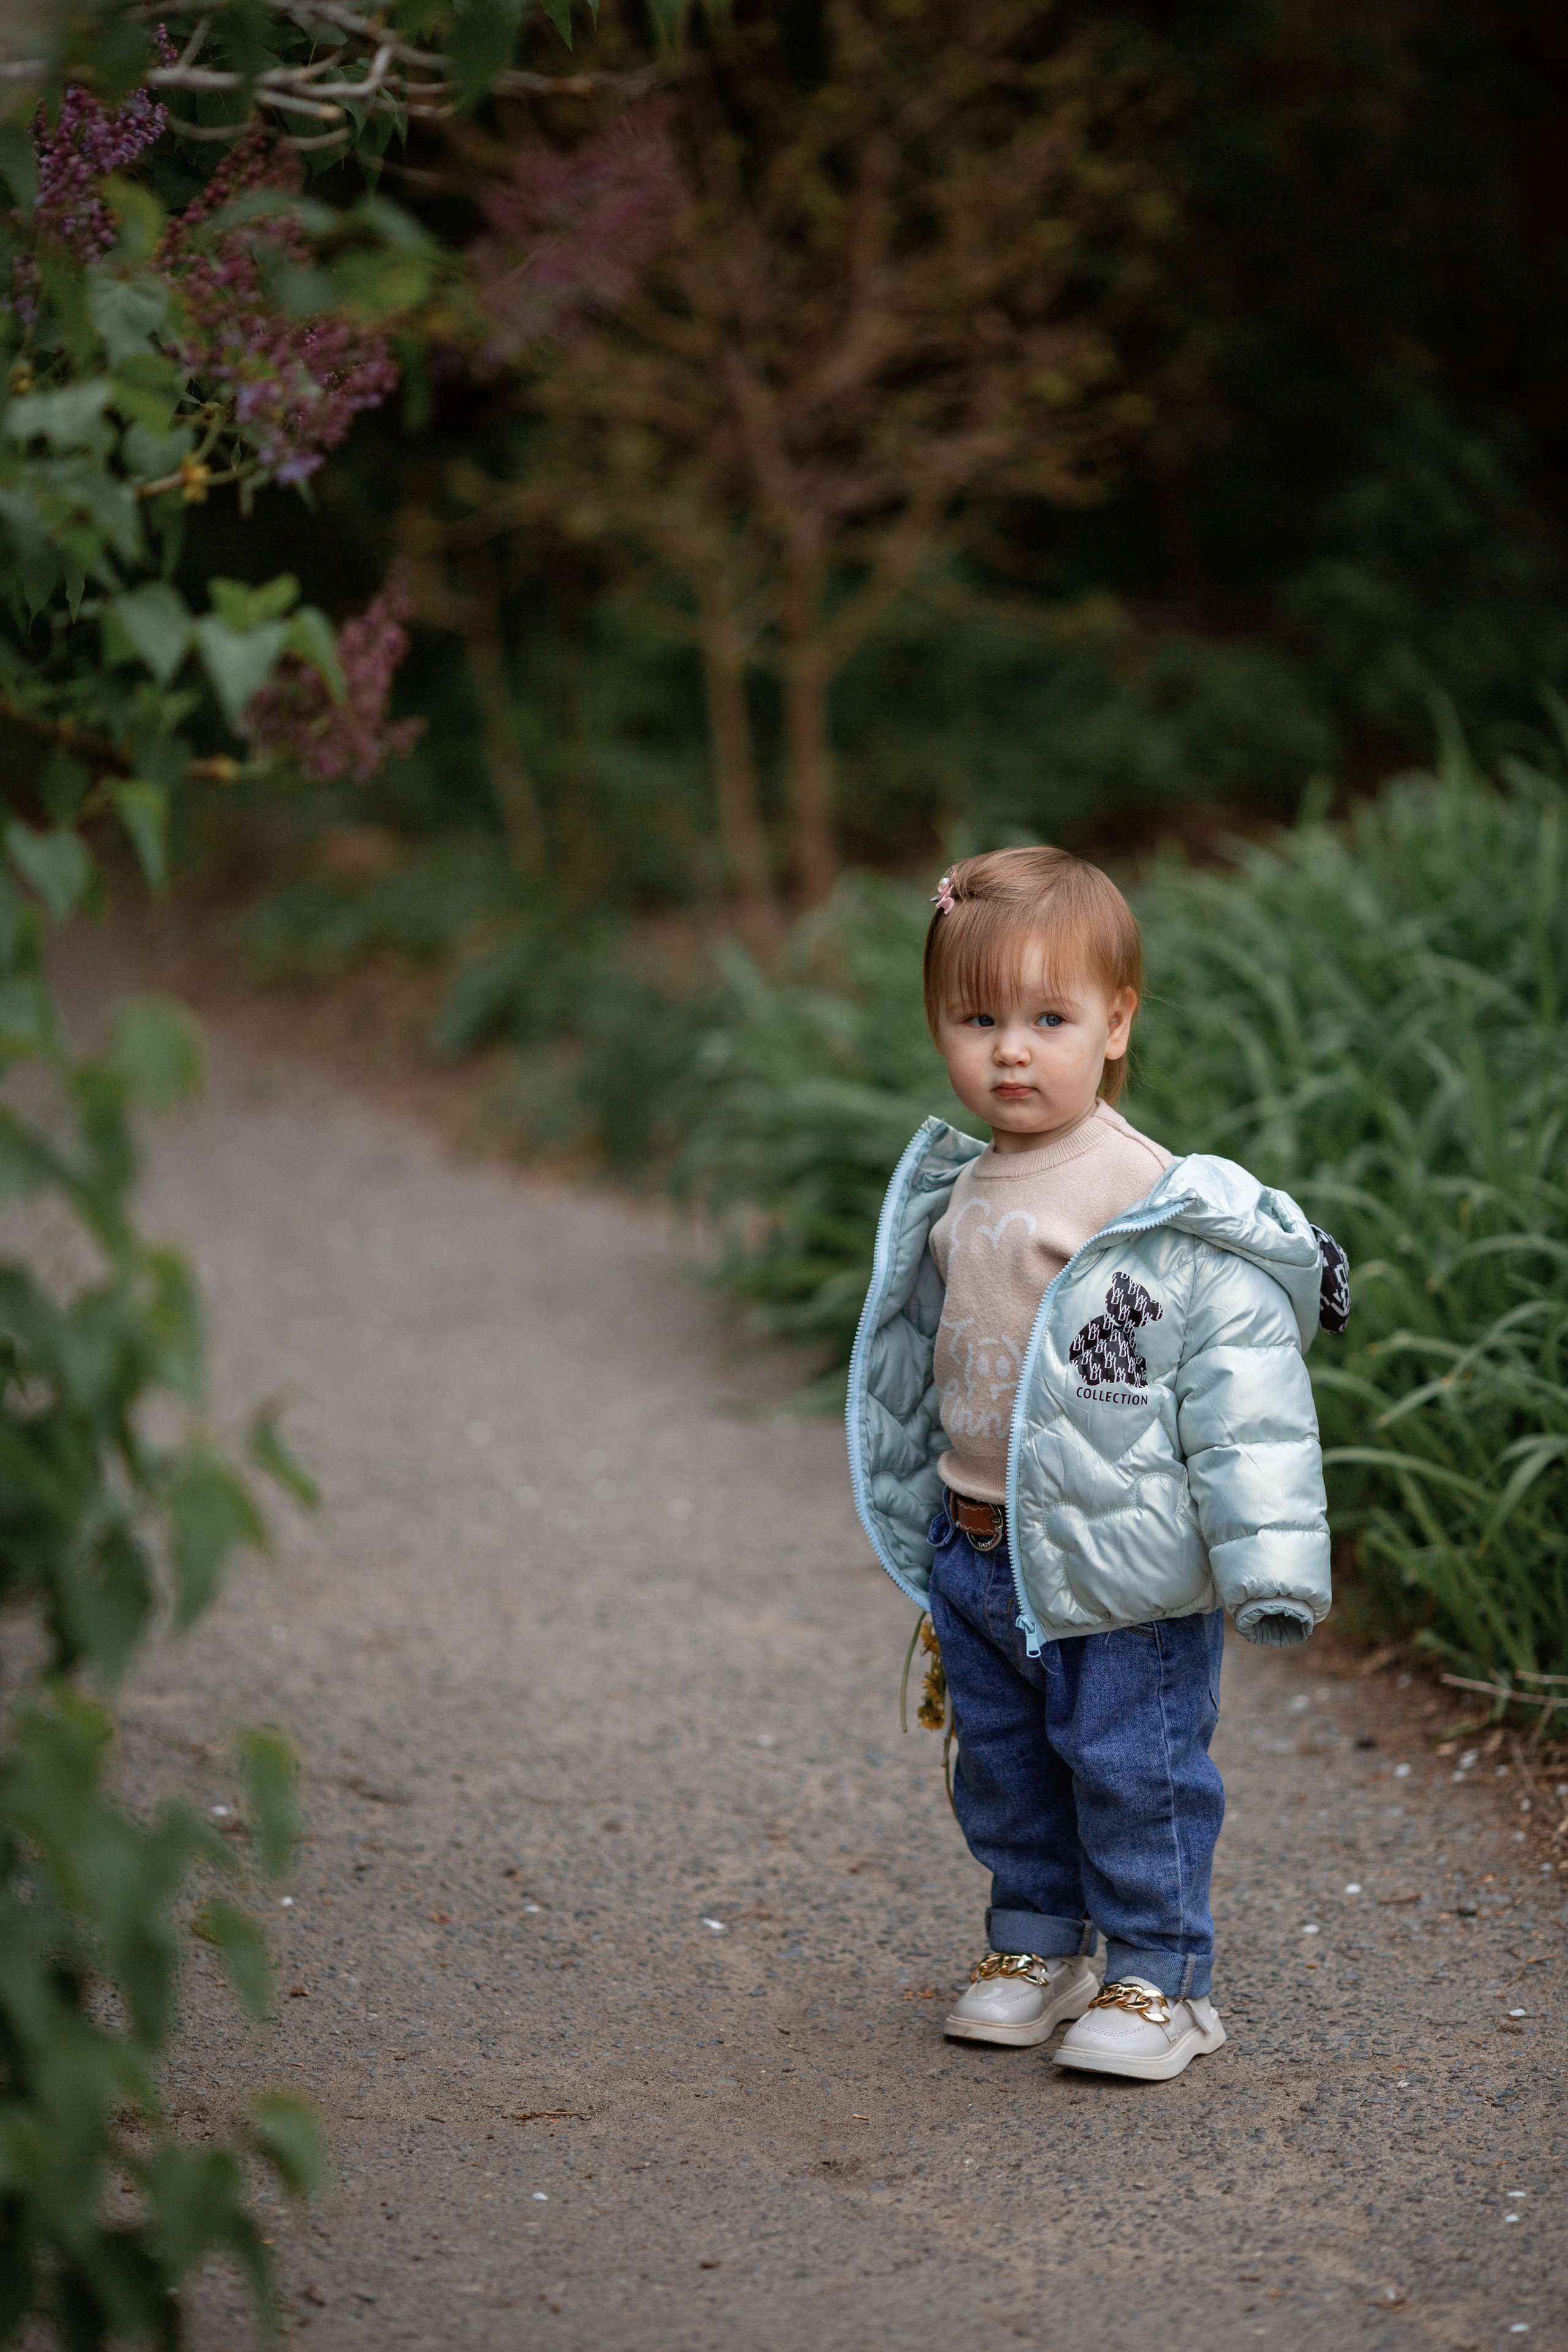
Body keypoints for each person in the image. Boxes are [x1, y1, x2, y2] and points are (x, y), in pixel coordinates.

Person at [845, 847, 1347, 2082]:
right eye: (977, 1020)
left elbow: (1246, 1397)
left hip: (1121, 1567)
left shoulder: (1154, 1201)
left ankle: (1159, 1976)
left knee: (1134, 1769)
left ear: (1115, 1025)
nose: (1010, 1052)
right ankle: (1035, 1942)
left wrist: (1269, 1559)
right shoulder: (961, 1187)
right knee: (1004, 1767)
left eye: (1048, 1020)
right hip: (977, 1548)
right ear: (939, 1028)